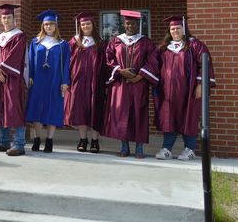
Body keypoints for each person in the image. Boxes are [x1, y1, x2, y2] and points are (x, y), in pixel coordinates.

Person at [154, 16, 216, 161]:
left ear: (184, 29)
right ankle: (167, 149)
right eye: (172, 28)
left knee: (189, 117)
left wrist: (201, 84)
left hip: (189, 91)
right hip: (168, 91)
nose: (175, 31)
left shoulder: (195, 45)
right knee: (169, 118)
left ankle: (189, 149)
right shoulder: (164, 48)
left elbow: (205, 64)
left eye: (178, 28)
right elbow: (154, 66)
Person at [104, 10, 159, 158]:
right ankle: (124, 147)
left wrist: (139, 76)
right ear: (124, 24)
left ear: (138, 24)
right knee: (122, 114)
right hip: (120, 84)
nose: (130, 26)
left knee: (139, 114)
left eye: (133, 23)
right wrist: (121, 71)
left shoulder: (146, 42)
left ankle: (139, 148)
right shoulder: (115, 41)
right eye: (127, 23)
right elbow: (108, 59)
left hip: (139, 85)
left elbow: (153, 61)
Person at [26, 10, 70, 153]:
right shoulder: (35, 42)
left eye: (51, 24)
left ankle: (49, 140)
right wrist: (30, 77)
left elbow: (66, 64)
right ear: (42, 26)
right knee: (37, 108)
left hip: (55, 80)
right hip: (38, 80)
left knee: (53, 108)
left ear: (56, 25)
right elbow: (31, 61)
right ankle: (37, 138)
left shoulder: (63, 44)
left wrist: (65, 81)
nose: (48, 27)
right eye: (46, 24)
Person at [0, 4, 28, 157]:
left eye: (9, 17)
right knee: (1, 107)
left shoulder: (19, 36)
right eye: (4, 17)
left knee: (15, 108)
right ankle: (3, 142)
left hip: (12, 79)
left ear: (14, 19)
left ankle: (19, 144)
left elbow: (16, 55)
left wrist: (0, 69)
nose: (6, 20)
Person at [64, 12, 107, 153]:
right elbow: (66, 62)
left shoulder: (100, 43)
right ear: (80, 26)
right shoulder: (73, 42)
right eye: (83, 24)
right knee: (80, 110)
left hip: (95, 82)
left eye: (88, 23)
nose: (85, 26)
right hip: (78, 82)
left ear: (93, 25)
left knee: (95, 110)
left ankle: (95, 141)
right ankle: (83, 139)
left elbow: (106, 65)